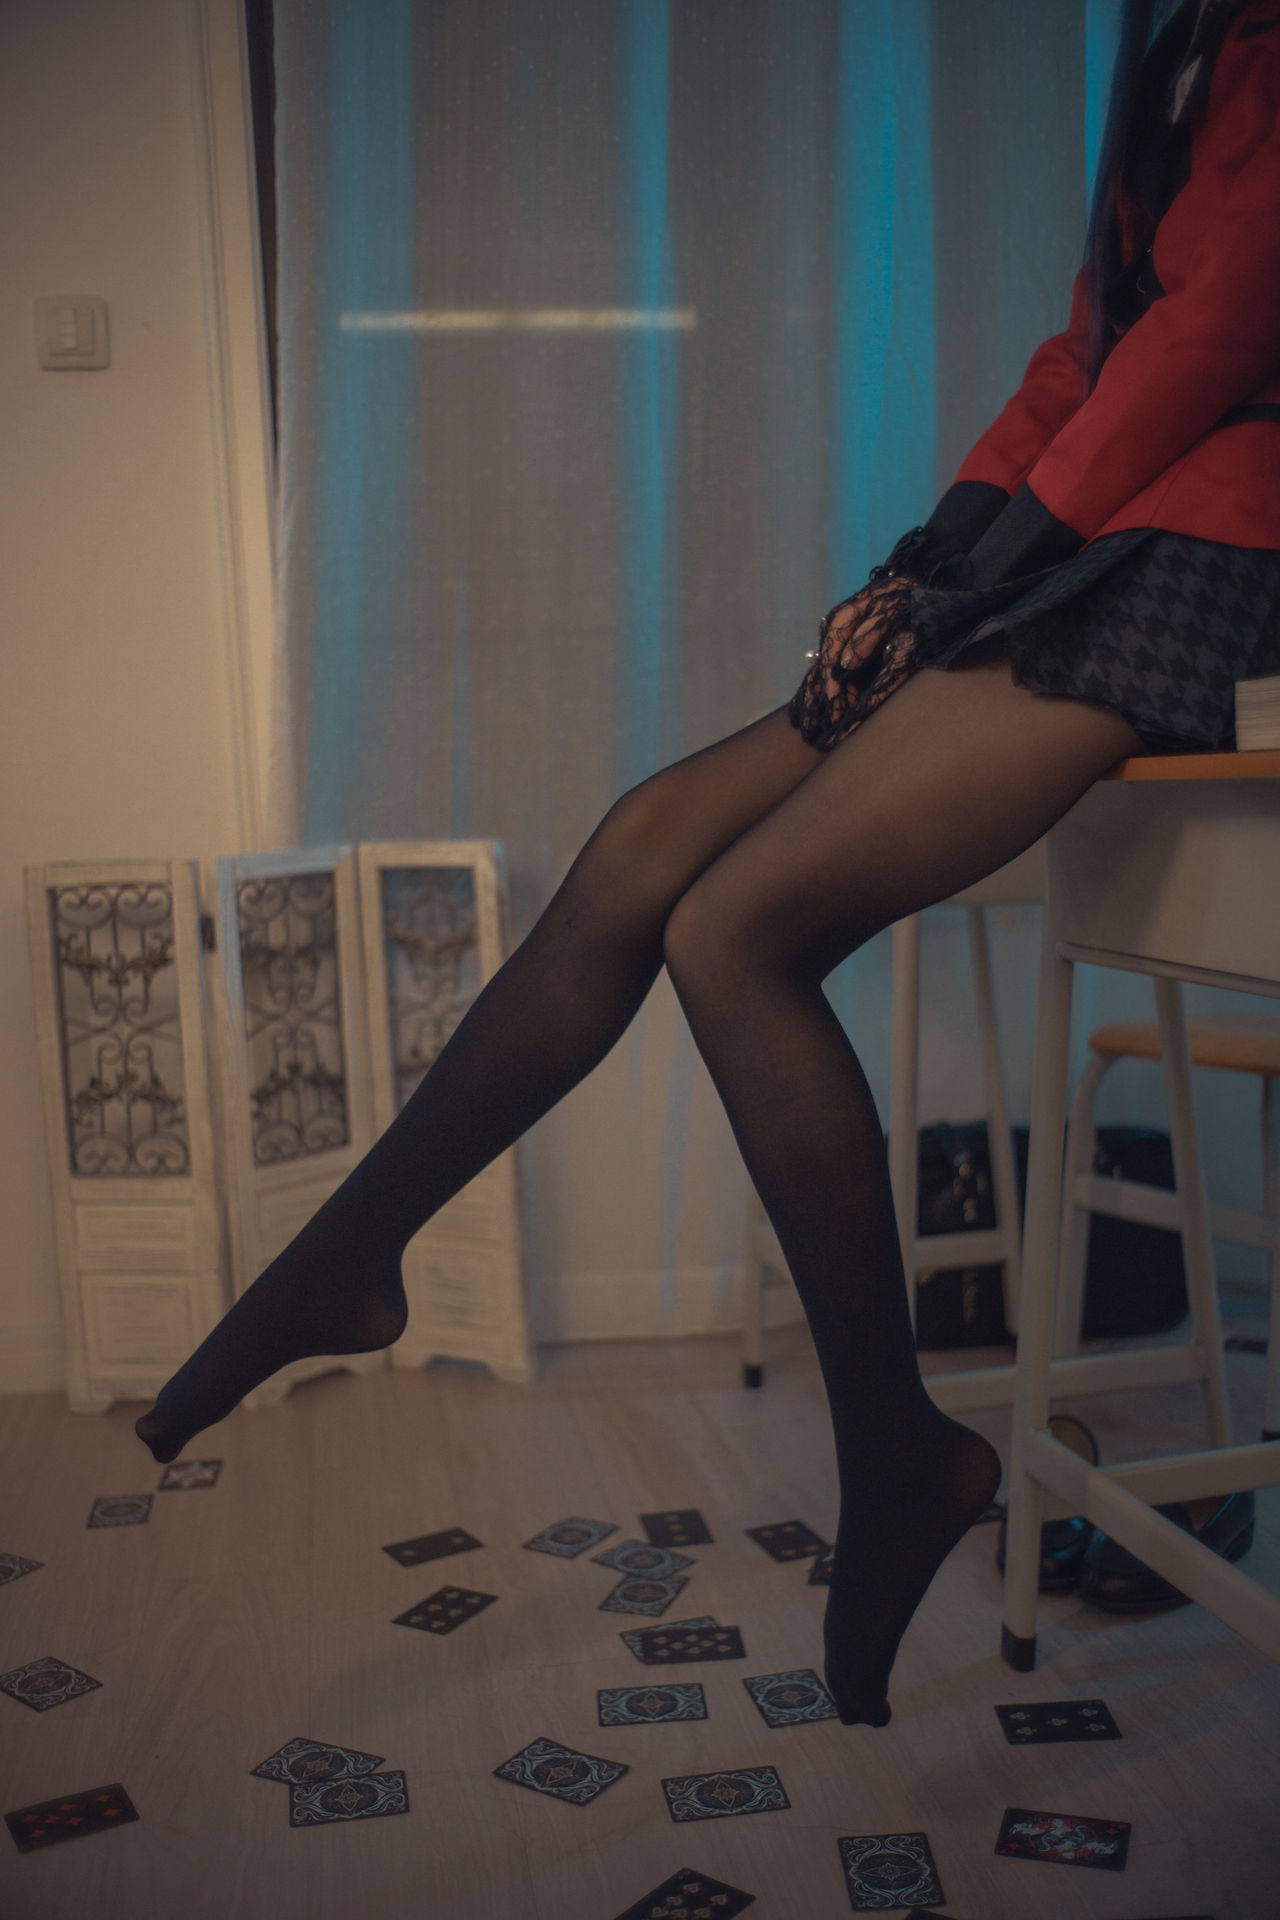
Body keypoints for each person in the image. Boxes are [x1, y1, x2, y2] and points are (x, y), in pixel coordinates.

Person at [136, 0, 1280, 1728]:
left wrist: (1003, 563)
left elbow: (1227, 324)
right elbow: (1088, 348)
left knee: (734, 929)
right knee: (651, 844)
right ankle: (351, 1254)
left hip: (1216, 543)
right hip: (1110, 531)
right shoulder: (1168, 21)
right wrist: (924, 564)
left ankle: (896, 1451)